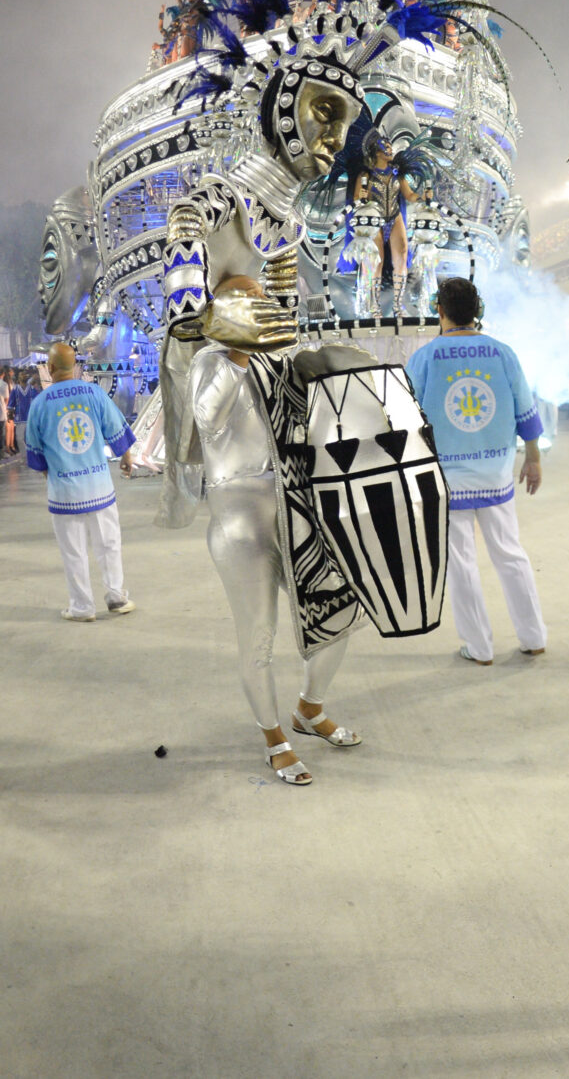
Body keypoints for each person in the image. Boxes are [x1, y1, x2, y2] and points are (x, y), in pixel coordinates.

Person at [191, 276, 361, 784]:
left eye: (263, 300)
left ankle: (309, 709)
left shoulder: (276, 363)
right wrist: (240, 348)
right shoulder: (211, 361)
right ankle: (274, 737)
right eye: (251, 300)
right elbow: (206, 418)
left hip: (295, 507)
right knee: (258, 636)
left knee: (340, 608)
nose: (262, 306)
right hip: (238, 521)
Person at [405, 276, 548, 665]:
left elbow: (406, 419)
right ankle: (533, 636)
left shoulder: (423, 359)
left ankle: (479, 647)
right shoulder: (502, 353)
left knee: (460, 561)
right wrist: (532, 458)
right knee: (510, 553)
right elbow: (525, 408)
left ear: (440, 310)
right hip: (496, 473)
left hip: (446, 480)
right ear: (477, 311)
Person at [24, 342, 136, 622]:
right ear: (75, 366)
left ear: (49, 368)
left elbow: (36, 456)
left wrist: (48, 473)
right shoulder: (95, 393)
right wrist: (126, 456)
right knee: (109, 544)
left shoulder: (40, 404)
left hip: (64, 491)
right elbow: (116, 429)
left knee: (73, 552)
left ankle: (82, 607)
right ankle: (117, 597)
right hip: (99, 487)